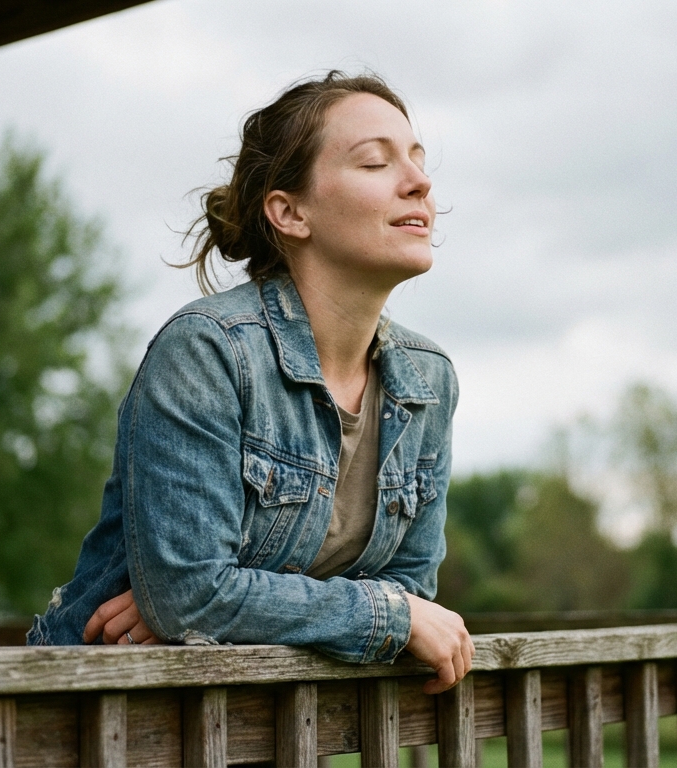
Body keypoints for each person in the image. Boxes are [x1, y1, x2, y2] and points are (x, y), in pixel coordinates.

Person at [27, 71, 473, 694]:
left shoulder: (428, 380)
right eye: (375, 162)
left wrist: (221, 607)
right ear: (289, 213)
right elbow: (193, 596)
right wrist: (380, 616)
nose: (420, 182)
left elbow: (411, 588)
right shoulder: (208, 351)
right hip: (100, 713)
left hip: (262, 720)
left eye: (417, 160)